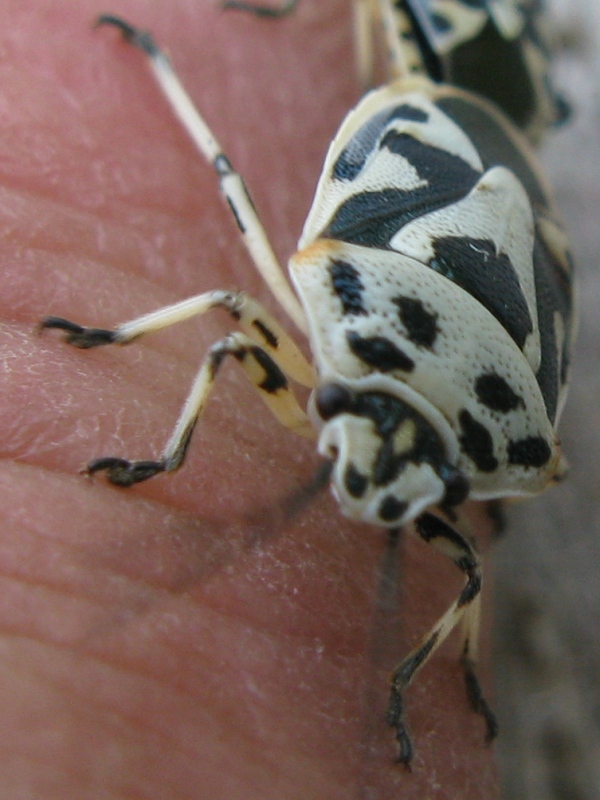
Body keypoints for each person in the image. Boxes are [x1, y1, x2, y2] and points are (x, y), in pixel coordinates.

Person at [1, 1, 498, 796]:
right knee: (231, 301)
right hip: (456, 247)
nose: (366, 486)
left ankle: (418, 674)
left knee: (239, 314)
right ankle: (158, 61)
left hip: (457, 247)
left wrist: (424, 677)